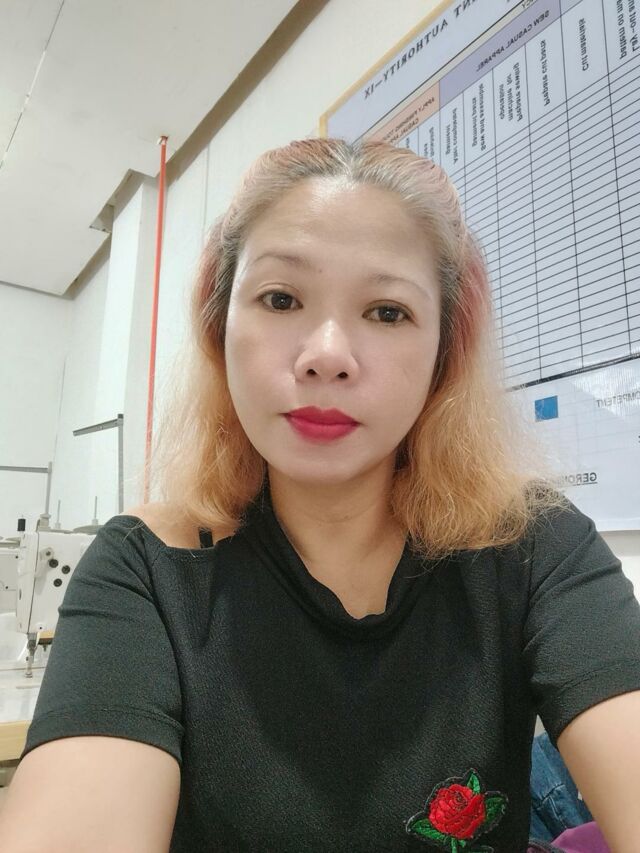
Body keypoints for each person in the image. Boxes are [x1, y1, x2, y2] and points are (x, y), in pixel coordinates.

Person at [2, 138, 639, 853]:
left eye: (388, 312)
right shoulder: (146, 570)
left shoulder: (535, 547)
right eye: (281, 298)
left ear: (445, 349)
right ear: (219, 324)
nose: (327, 355)